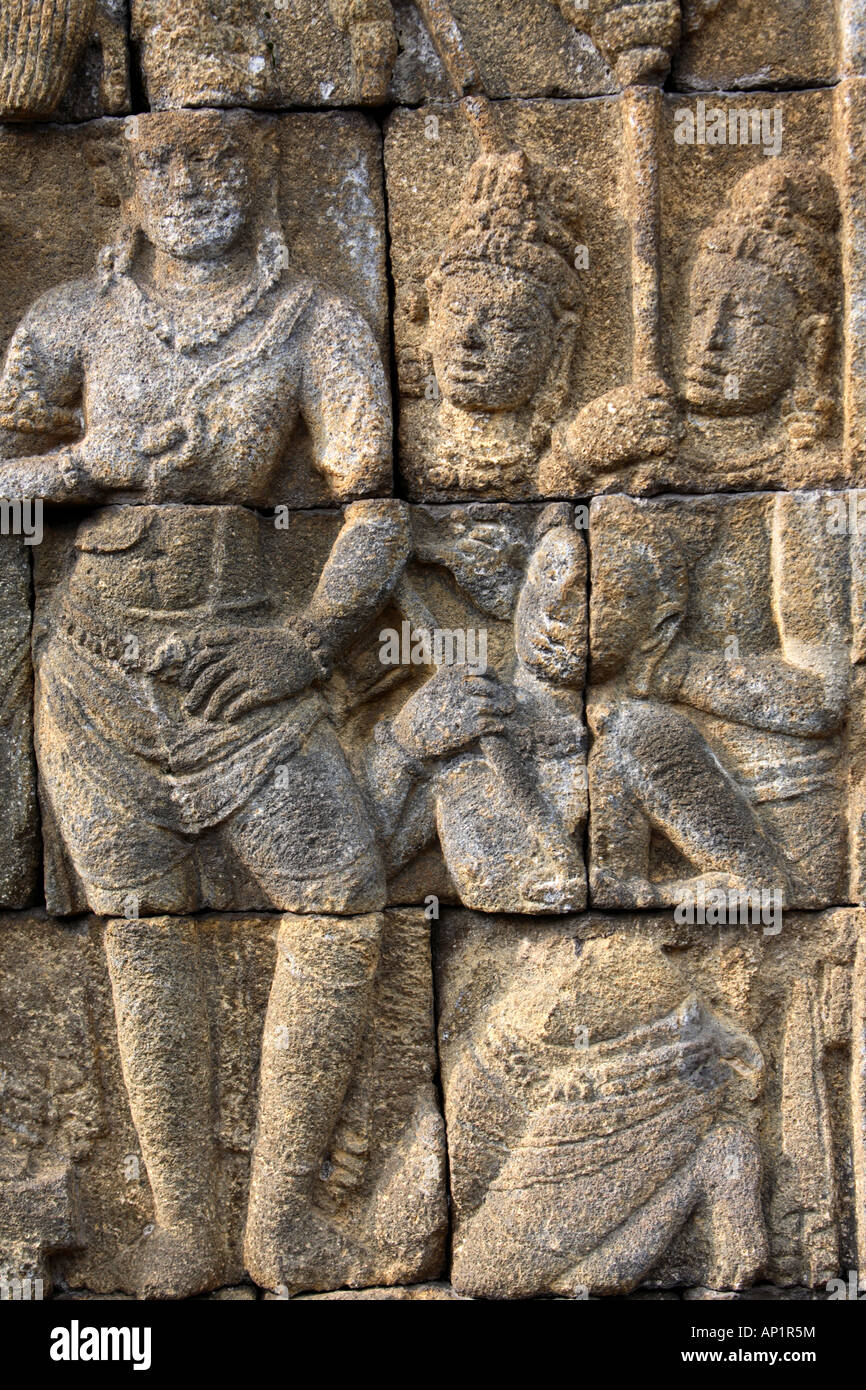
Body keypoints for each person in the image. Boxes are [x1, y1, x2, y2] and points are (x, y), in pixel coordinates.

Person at [0, 107, 408, 1295]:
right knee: (141, 935)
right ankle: (182, 1225)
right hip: (95, 673)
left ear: (262, 167)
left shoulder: (312, 322)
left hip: (249, 666)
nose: (194, 180)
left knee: (339, 895)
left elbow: (374, 509)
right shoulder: (71, 320)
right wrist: (87, 467)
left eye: (222, 153)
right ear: (119, 181)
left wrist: (312, 642)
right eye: (163, 159)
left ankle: (279, 1219)